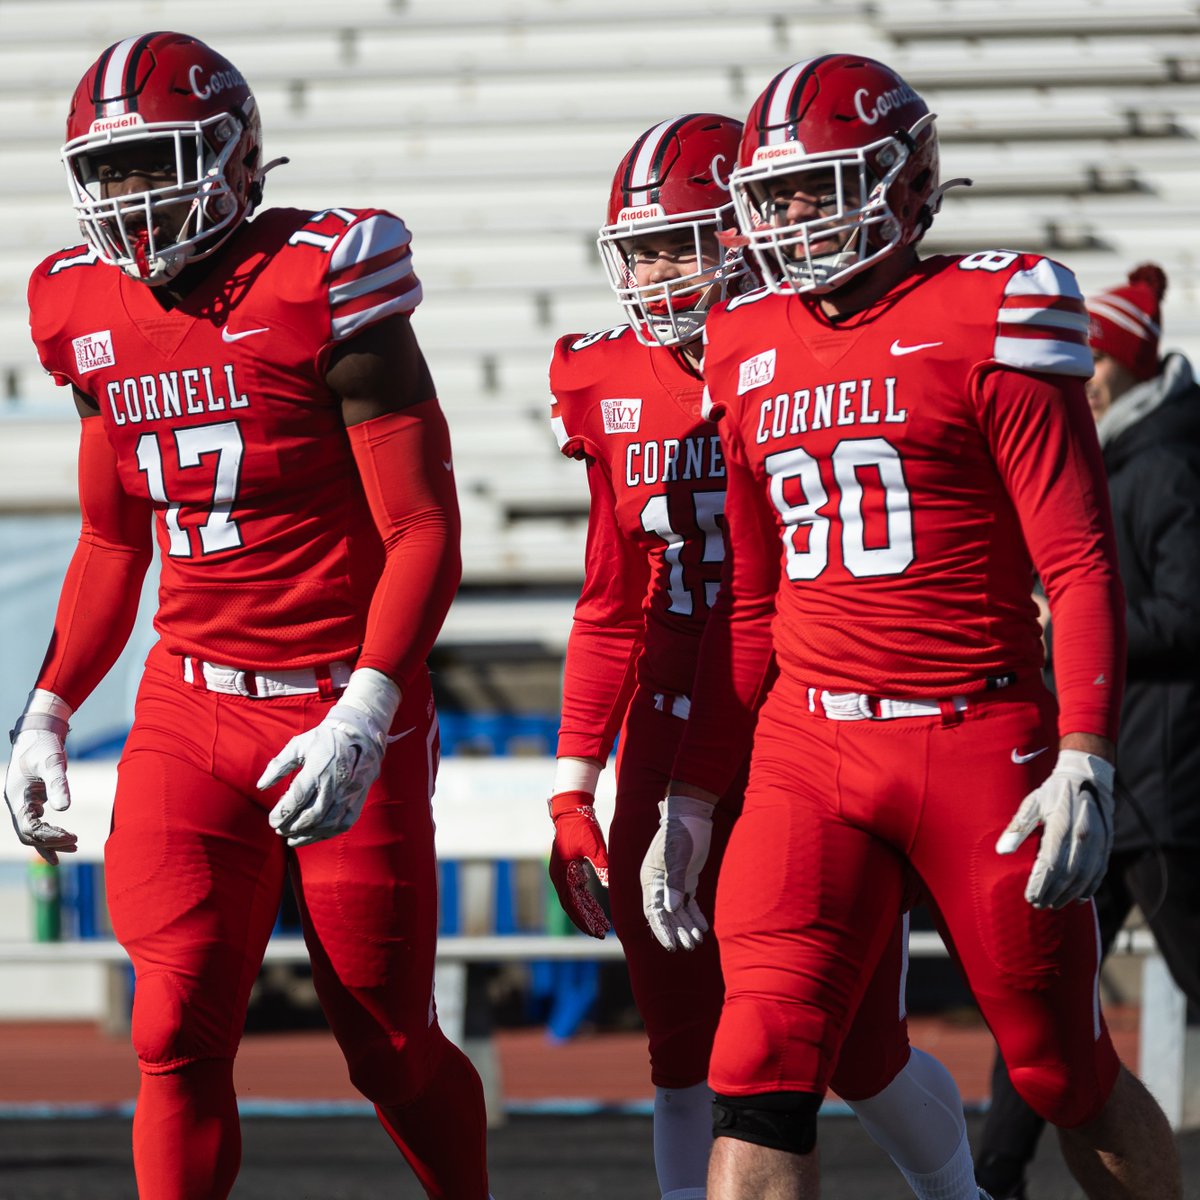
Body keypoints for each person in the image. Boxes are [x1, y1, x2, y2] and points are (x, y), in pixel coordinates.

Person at [640, 54, 1184, 1200]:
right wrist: (694, 796)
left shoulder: (994, 307)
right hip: (807, 745)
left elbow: (1078, 559)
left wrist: (1084, 750)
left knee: (1055, 1067)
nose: (795, 218)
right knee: (759, 1066)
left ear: (907, 179)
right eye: (778, 195)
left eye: (821, 185)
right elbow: (750, 598)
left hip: (974, 732)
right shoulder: (741, 340)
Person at [3, 32, 490, 1200]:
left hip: (339, 693)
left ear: (230, 158)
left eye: (156, 162)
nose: (130, 198)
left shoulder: (322, 276)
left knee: (383, 1040)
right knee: (170, 1031)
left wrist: (371, 708)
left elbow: (426, 528)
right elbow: (115, 538)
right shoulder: (82, 305)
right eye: (109, 172)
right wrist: (50, 708)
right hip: (193, 703)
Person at [549, 113, 988, 1200]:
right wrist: (572, 786)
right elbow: (611, 601)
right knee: (681, 1053)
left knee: (855, 1048)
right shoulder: (605, 379)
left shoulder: (805, 348)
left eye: (682, 244)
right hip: (664, 729)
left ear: (745, 236)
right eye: (640, 249)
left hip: (797, 721)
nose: (657, 274)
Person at [975, 264, 1200, 1200]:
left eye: (1094, 359)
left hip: (1167, 780)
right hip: (1106, 776)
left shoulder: (1173, 463)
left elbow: (1187, 616)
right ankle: (993, 1175)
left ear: (1121, 363)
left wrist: (1065, 625)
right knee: (1043, 996)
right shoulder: (1123, 454)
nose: (1082, 375)